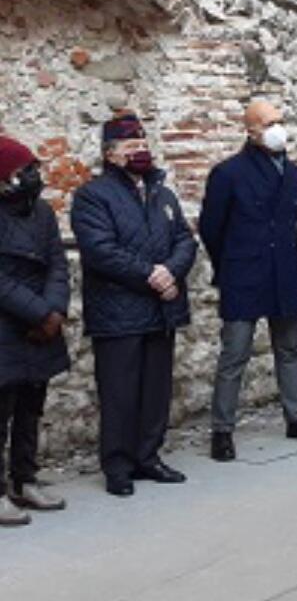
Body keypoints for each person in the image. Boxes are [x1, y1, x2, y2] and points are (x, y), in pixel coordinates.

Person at [199, 99, 297, 462]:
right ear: (251, 129)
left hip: (283, 270)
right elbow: (211, 228)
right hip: (243, 272)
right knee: (235, 353)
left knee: (288, 349)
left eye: (281, 120)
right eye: (270, 122)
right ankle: (222, 429)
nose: (278, 128)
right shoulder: (229, 173)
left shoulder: (291, 173)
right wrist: (228, 266)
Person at [71, 113, 197, 497]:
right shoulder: (93, 196)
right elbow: (101, 251)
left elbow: (185, 241)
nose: (141, 152)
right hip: (118, 311)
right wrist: (152, 276)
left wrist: (171, 271)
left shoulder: (162, 192)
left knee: (156, 390)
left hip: (161, 310)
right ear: (111, 154)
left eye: (144, 145)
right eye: (132, 147)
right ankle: (118, 465)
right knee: (120, 392)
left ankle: (148, 457)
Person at [0, 137, 69, 525]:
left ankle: (25, 479)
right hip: (9, 324)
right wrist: (39, 312)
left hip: (41, 325)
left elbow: (57, 262)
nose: (32, 177)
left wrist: (54, 310)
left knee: (31, 407)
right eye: (23, 170)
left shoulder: (42, 212)